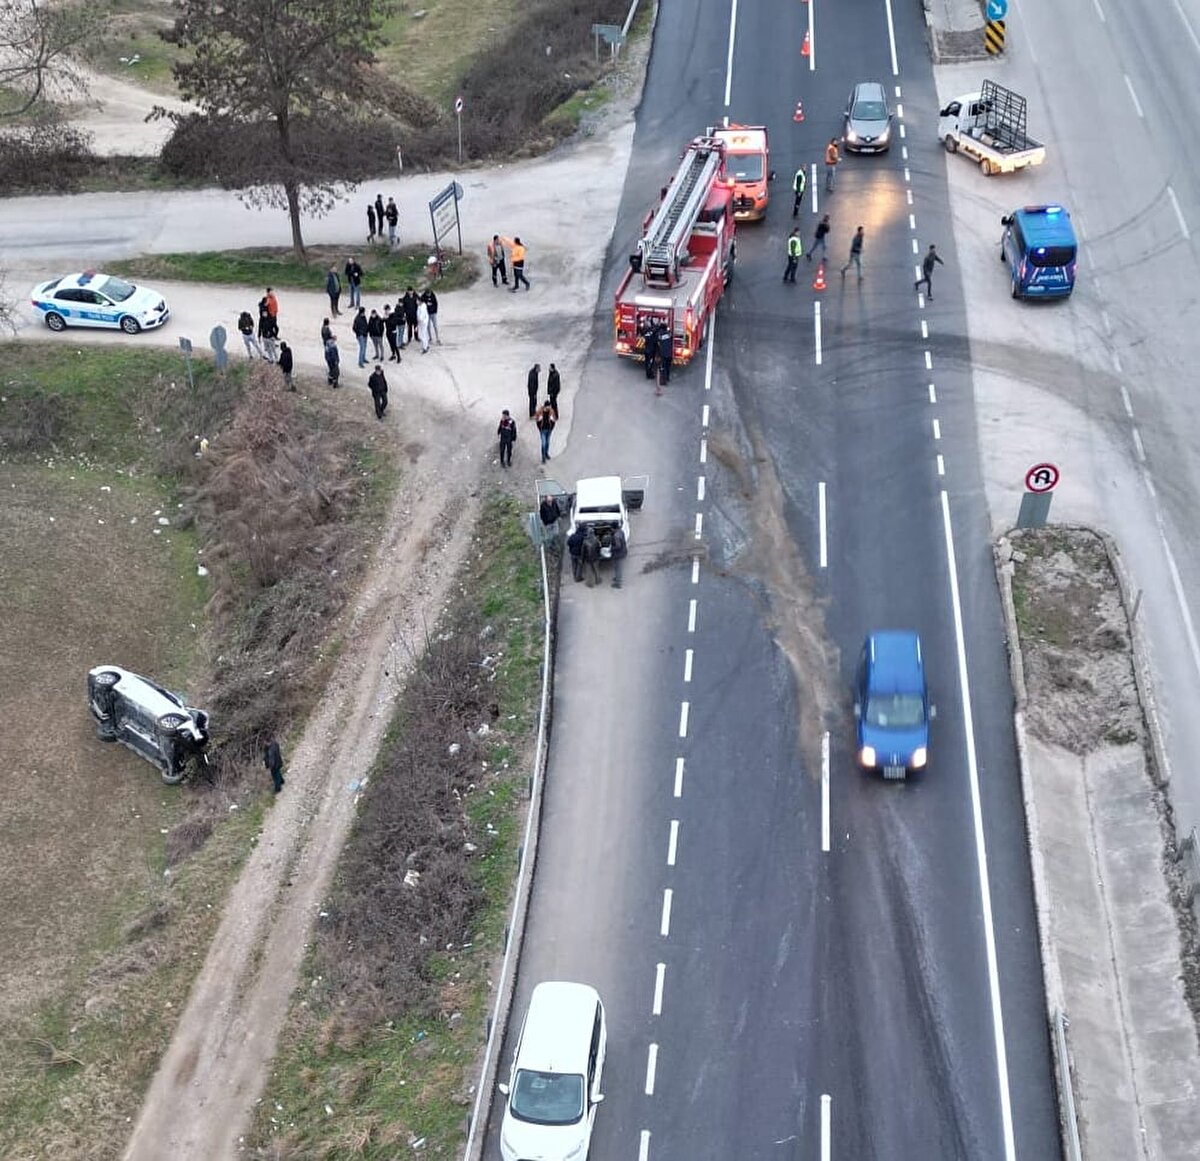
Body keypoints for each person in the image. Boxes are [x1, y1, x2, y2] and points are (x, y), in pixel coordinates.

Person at [258, 297, 279, 362]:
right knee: (271, 349)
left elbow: (260, 328)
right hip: (267, 336)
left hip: (267, 336)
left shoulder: (264, 319)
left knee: (271, 349)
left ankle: (274, 359)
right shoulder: (267, 319)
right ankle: (274, 359)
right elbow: (259, 328)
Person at [656, 326, 673, 394]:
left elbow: (657, 340)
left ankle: (664, 381)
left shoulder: (660, 335)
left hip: (663, 355)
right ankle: (668, 378)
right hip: (669, 354)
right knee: (668, 367)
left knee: (664, 368)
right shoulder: (669, 334)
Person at [610, 525, 627, 589]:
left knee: (618, 568)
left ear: (614, 529)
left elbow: (618, 546)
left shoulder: (616, 536)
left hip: (618, 554)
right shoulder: (621, 531)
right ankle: (617, 578)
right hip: (622, 552)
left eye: (612, 529)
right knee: (616, 567)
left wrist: (611, 548)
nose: (611, 530)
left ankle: (618, 583)